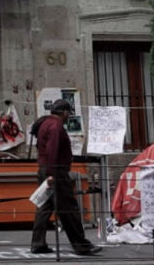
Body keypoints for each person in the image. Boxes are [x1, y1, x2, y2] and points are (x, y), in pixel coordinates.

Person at [30, 99, 101, 256]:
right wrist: (52, 174)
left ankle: (38, 243)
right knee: (69, 208)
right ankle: (81, 245)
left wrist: (48, 172)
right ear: (65, 112)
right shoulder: (56, 126)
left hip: (46, 169)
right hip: (56, 172)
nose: (68, 116)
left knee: (45, 207)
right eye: (68, 113)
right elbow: (53, 150)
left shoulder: (45, 123)